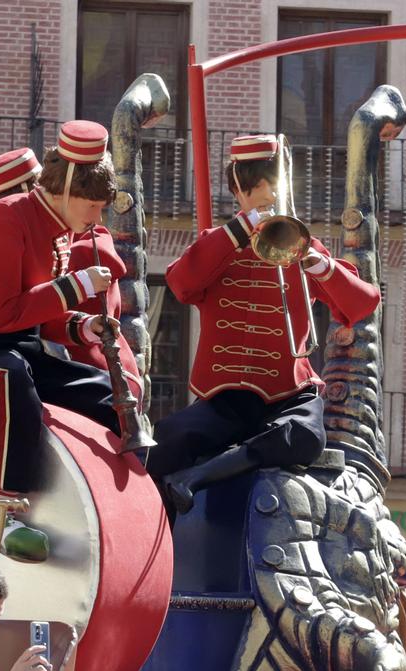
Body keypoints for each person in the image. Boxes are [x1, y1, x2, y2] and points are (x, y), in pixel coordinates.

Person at [0, 122, 144, 564]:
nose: (96, 218)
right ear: (68, 189)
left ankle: (104, 510)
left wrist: (82, 326)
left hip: (25, 347)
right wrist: (74, 287)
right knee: (12, 379)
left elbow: (39, 317)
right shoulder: (3, 217)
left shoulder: (60, 225)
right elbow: (2, 314)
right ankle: (3, 511)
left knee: (104, 394)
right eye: (92, 205)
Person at [152, 134, 380, 514]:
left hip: (288, 393)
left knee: (305, 436)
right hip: (226, 395)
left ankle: (197, 478)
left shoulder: (305, 246)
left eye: (270, 182)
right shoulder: (217, 245)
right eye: (255, 184)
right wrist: (240, 230)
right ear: (238, 192)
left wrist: (319, 264)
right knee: (169, 439)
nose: (264, 193)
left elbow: (361, 303)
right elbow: (180, 283)